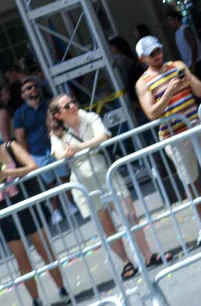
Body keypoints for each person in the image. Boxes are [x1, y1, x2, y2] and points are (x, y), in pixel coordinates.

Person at [47, 95, 163, 279]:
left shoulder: (89, 117)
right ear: (58, 115)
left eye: (73, 102)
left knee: (130, 215)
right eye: (66, 106)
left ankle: (148, 255)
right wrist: (68, 153)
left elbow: (103, 136)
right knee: (106, 225)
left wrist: (79, 148)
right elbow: (59, 154)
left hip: (106, 173)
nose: (73, 106)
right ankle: (126, 262)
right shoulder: (57, 133)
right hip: (83, 182)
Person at [135, 35, 201, 246]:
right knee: (190, 181)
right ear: (143, 58)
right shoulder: (142, 83)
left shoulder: (176, 66)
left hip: (196, 125)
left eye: (159, 50)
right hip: (174, 136)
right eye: (152, 54)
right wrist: (169, 91)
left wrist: (188, 79)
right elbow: (151, 113)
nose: (158, 56)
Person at [0, 138, 71, 306]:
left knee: (44, 249)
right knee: (21, 258)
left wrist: (8, 173)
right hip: (5, 212)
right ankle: (36, 300)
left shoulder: (10, 147)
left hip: (26, 204)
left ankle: (62, 290)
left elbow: (33, 166)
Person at [13, 77, 72, 224]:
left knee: (65, 177)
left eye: (34, 86)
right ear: (23, 95)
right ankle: (56, 211)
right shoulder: (20, 113)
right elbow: (20, 137)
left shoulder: (49, 104)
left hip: (55, 146)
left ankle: (70, 204)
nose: (33, 89)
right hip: (37, 153)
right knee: (49, 183)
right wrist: (27, 158)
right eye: (28, 88)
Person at [166, 11, 201, 87]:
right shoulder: (177, 32)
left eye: (170, 20)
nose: (169, 23)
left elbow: (193, 47)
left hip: (197, 61)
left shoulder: (185, 29)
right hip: (189, 63)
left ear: (176, 19)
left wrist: (193, 65)